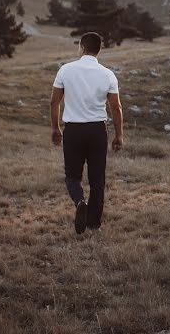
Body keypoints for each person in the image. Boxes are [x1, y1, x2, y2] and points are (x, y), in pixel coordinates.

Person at [49, 32, 124, 234]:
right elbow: (116, 108)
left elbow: (55, 101)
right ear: (99, 50)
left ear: (81, 47)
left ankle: (80, 201)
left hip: (73, 130)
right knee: (97, 179)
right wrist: (119, 136)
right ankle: (93, 223)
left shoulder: (66, 70)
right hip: (97, 131)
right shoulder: (108, 74)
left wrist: (55, 128)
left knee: (72, 176)